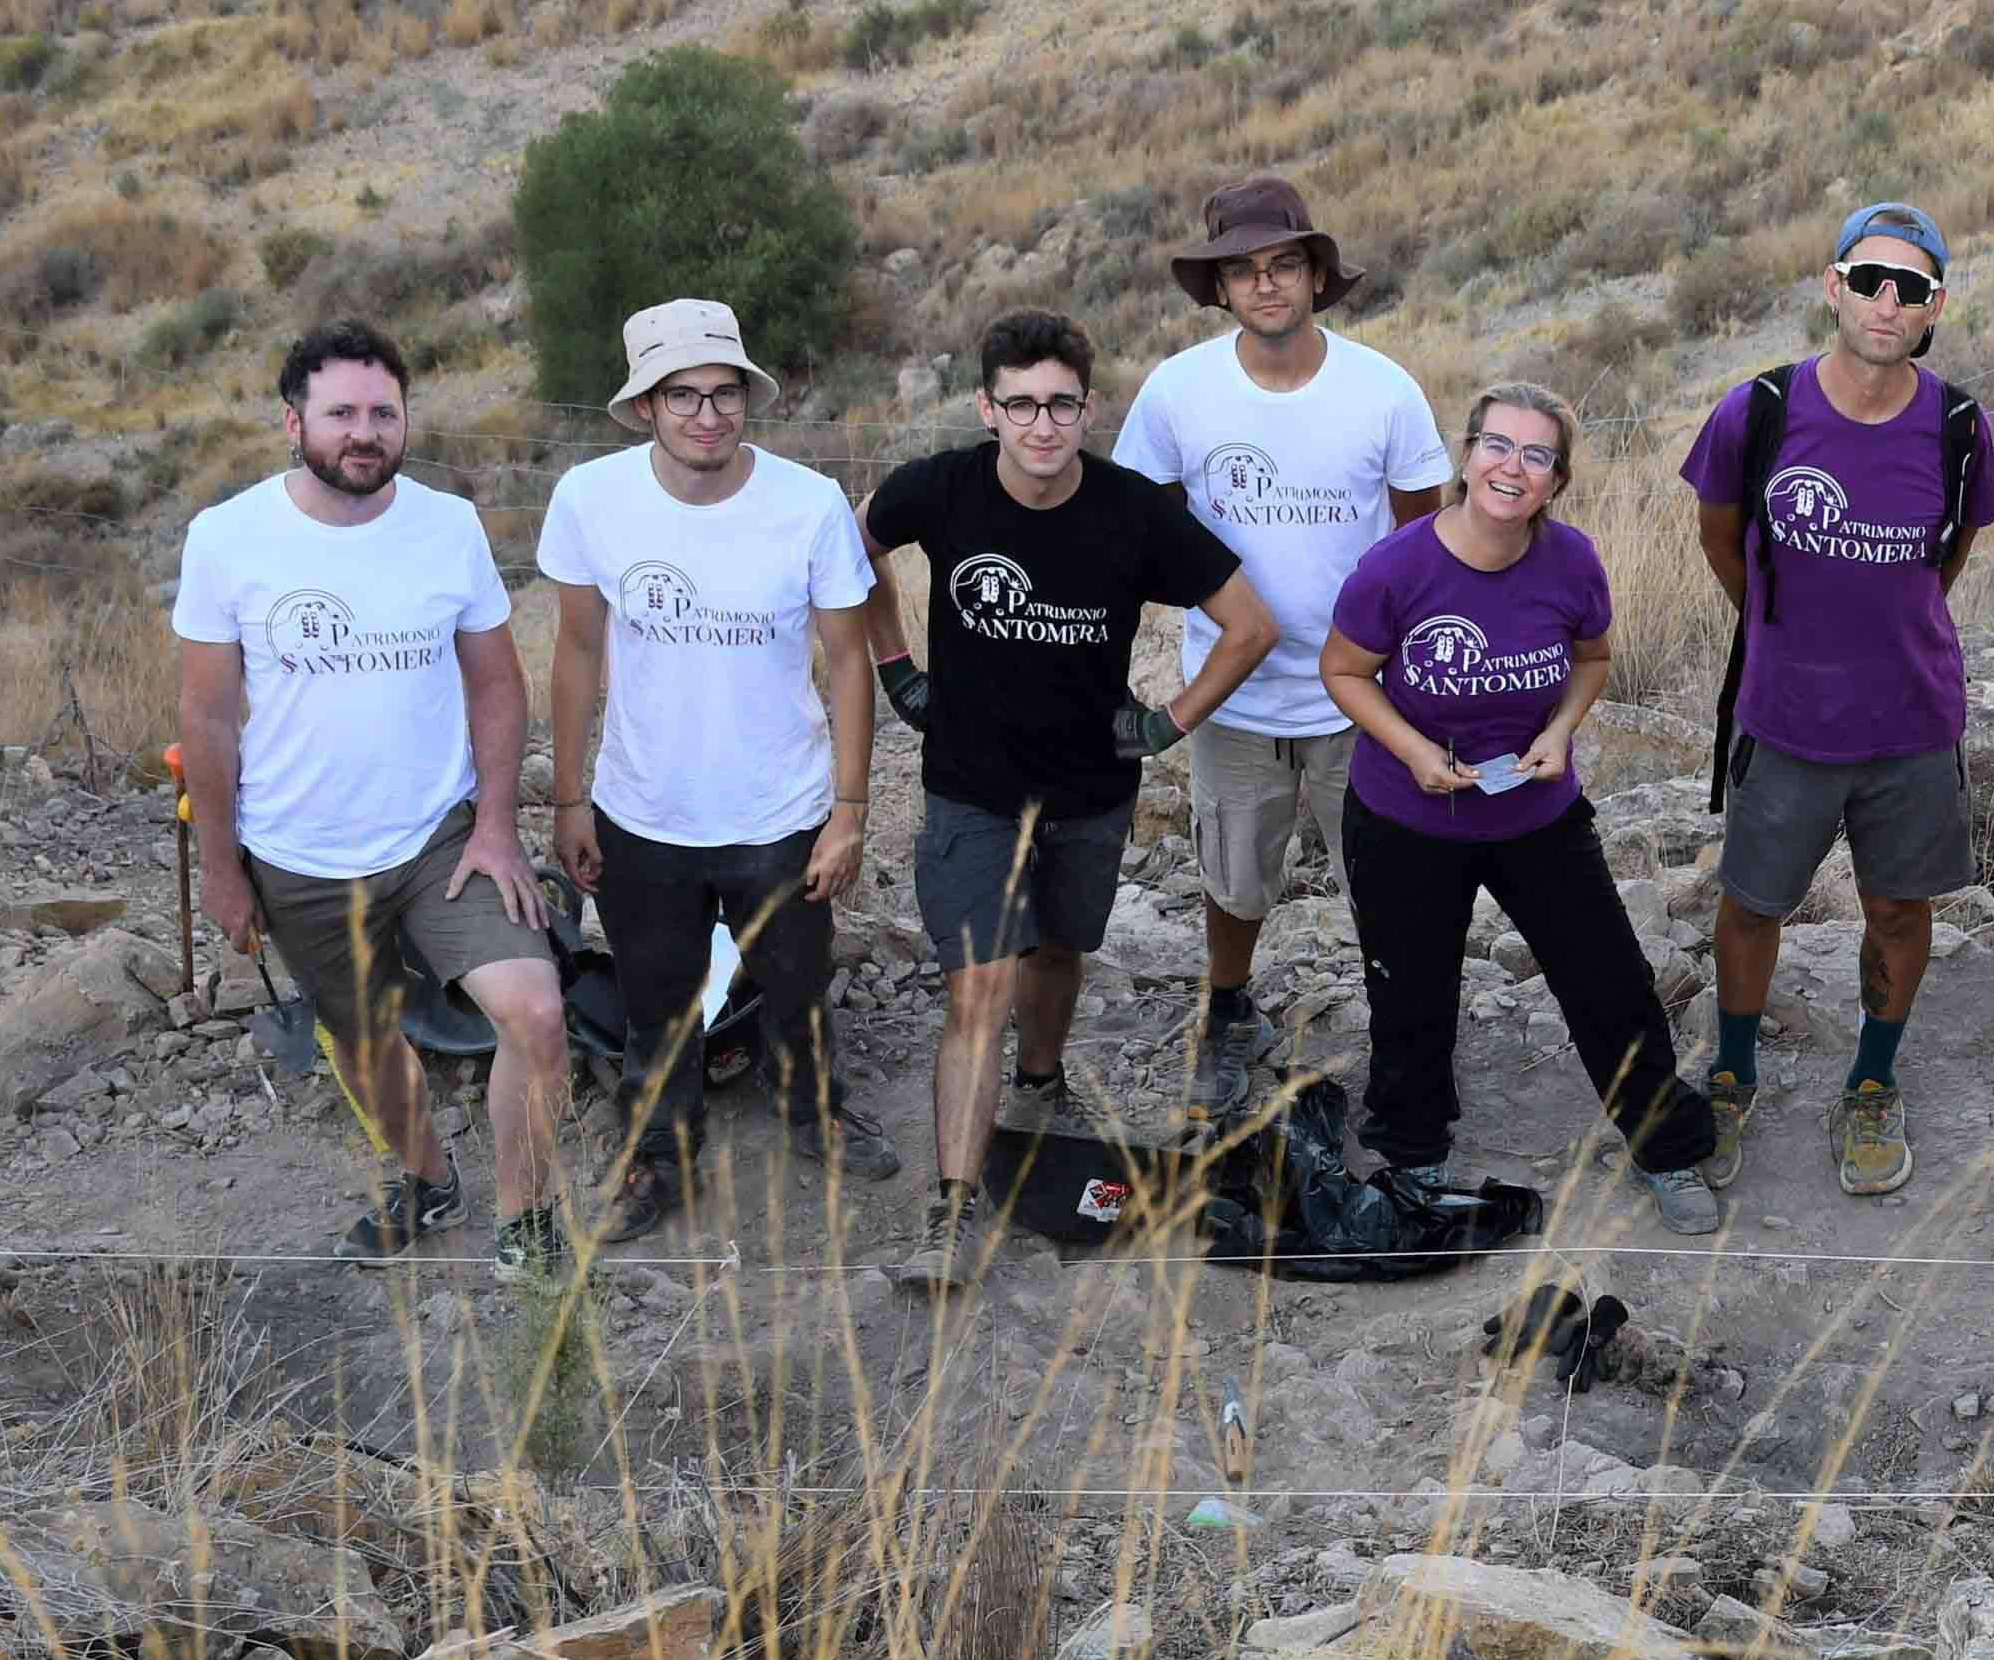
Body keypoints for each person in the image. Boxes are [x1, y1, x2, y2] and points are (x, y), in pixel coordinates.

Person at [859, 311, 1279, 1289]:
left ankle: (1040, 1084)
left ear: (1087, 407)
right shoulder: (941, 487)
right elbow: (849, 551)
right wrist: (893, 665)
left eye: (1059, 404)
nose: (1041, 426)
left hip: (1091, 787)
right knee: (978, 989)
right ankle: (953, 1211)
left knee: (1057, 951)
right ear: (986, 407)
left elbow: (1250, 624)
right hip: (969, 784)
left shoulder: (1133, 511)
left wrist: (1169, 721)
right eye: (1020, 404)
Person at [174, 320, 578, 1281]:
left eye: (383, 413)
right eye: (342, 412)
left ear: (406, 421)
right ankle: (428, 1182)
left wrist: (495, 825)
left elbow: (494, 684)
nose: (365, 431)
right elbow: (209, 714)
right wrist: (221, 868)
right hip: (298, 853)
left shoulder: (447, 525)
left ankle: (528, 1228)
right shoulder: (227, 539)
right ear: (292, 422)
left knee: (537, 1012)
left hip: (442, 838)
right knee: (365, 1043)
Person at [1320, 383, 1728, 1234]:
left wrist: (1563, 730)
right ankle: (1413, 1153)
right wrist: (1416, 751)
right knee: (1412, 993)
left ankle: (1666, 1147)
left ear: (1557, 480)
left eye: (1537, 455)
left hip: (1535, 813)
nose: (1513, 467)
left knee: (1610, 982)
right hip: (1406, 818)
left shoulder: (1571, 561)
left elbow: (1592, 658)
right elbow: (1346, 672)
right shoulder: (1396, 566)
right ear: (1466, 456)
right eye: (1497, 446)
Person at [540, 299, 890, 1246]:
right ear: (646, 406)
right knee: (657, 996)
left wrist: (850, 807)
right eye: (682, 395)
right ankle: (659, 1154)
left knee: (797, 980)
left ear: (748, 397)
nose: (707, 414)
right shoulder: (590, 500)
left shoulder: (808, 504)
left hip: (780, 810)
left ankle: (811, 1112)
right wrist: (569, 797)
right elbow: (576, 651)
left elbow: (850, 660)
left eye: (724, 392)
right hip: (642, 810)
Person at [1682, 201, 1994, 1198]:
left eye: (1909, 287)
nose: (1885, 299)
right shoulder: (1761, 409)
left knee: (1899, 909)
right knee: (1751, 901)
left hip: (1909, 723)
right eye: (1869, 278)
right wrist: (1788, 626)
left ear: (1933, 305)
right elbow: (1719, 536)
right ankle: (1732, 1070)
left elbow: (1939, 564)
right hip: (1785, 719)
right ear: (1833, 285)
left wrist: (1875, 634)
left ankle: (1871, 1079)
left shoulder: (1956, 426)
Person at [1113, 177, 1454, 1116]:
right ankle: (1228, 1013)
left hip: (1363, 694)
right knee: (1233, 873)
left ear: (1316, 277)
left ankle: (1406, 1037)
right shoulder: (1177, 392)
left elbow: (1420, 537)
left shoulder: (1383, 390)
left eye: (1283, 266)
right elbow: (1143, 523)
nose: (1266, 286)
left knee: (1387, 878)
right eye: (1244, 270)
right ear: (1218, 287)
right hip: (1232, 694)